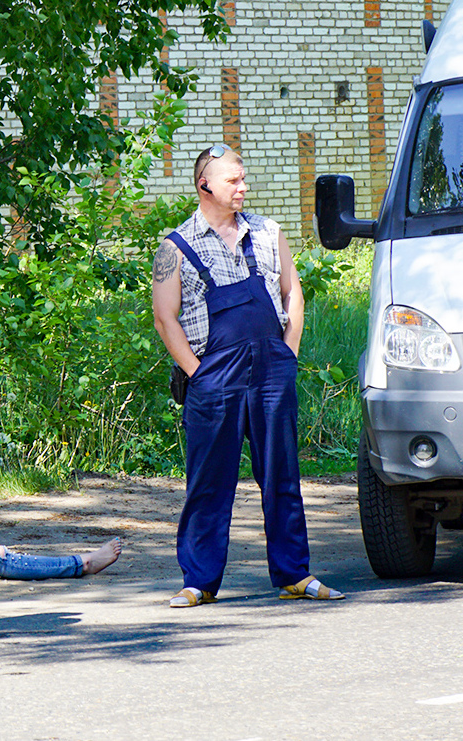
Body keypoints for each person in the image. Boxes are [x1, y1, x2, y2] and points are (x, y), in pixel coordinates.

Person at [151, 143, 342, 608]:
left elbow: (292, 292)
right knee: (209, 483)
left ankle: (294, 575)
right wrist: (197, 374)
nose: (243, 186)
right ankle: (199, 581)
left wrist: (288, 352)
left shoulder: (268, 232)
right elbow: (164, 319)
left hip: (272, 372)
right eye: (233, 180)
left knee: (282, 475)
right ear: (205, 185)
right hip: (214, 377)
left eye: (243, 178)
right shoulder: (175, 246)